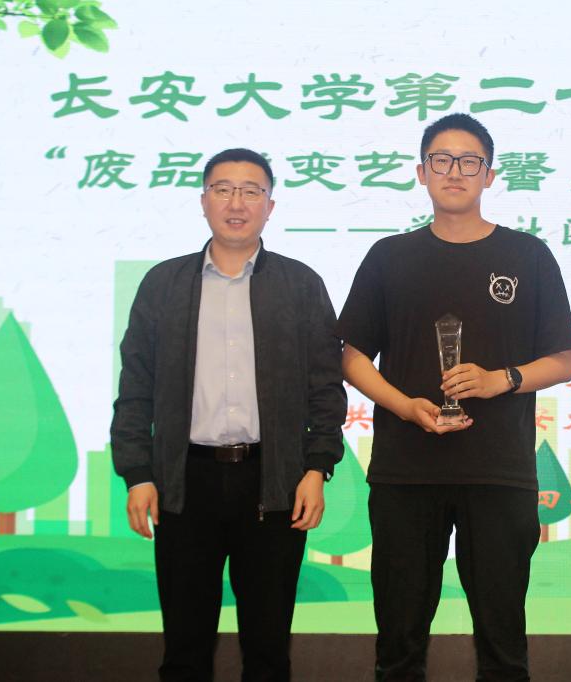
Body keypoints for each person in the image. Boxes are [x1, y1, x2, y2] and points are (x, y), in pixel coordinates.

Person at [336, 113, 571, 681]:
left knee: (502, 644)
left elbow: (564, 360)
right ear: (421, 172)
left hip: (498, 472)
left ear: (489, 176)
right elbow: (350, 355)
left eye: (470, 162)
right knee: (399, 642)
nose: (454, 172)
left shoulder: (528, 255)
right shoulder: (389, 256)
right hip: (406, 473)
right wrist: (404, 406)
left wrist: (502, 379)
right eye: (441, 160)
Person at [111, 148, 347, 681]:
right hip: (184, 484)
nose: (236, 203)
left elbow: (326, 388)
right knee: (184, 649)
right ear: (203, 201)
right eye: (223, 189)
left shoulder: (300, 284)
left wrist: (317, 467)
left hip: (272, 484)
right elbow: (136, 387)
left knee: (267, 649)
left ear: (270, 205)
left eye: (250, 191)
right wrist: (138, 474)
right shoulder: (164, 284)